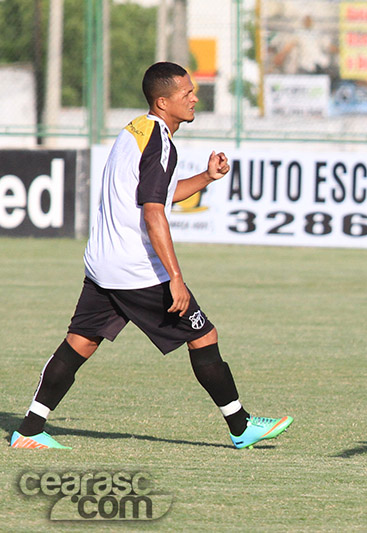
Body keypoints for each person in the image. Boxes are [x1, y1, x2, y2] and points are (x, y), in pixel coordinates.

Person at [11, 62, 293, 450]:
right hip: (137, 269)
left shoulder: (136, 130)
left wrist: (207, 177)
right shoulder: (159, 140)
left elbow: (160, 192)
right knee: (203, 335)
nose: (195, 98)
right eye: (186, 94)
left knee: (81, 341)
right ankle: (241, 426)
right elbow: (153, 210)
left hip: (103, 263)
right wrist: (175, 277)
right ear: (163, 102)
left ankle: (28, 430)